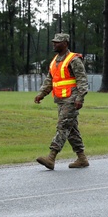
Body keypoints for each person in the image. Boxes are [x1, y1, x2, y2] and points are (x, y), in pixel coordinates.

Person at [34, 32, 89, 169]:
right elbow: (50, 80)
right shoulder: (55, 61)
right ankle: (82, 158)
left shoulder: (73, 60)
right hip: (60, 100)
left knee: (63, 126)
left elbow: (82, 80)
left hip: (72, 99)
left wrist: (80, 98)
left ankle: (51, 157)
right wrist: (41, 94)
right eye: (54, 41)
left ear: (65, 43)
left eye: (57, 42)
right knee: (71, 129)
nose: (54, 44)